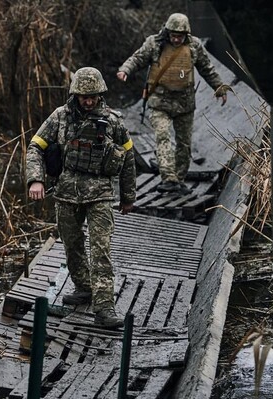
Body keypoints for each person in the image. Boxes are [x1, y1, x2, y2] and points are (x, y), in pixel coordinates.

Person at [25, 67, 136, 328]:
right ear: (75, 95)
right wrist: (36, 179)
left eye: (93, 97)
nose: (88, 102)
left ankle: (104, 308)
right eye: (84, 97)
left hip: (100, 194)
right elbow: (35, 147)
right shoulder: (59, 117)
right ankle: (84, 287)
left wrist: (128, 196)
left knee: (101, 250)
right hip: (66, 192)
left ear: (100, 95)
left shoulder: (113, 121)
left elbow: (128, 157)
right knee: (72, 245)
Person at [116, 12, 230, 194]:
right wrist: (125, 70)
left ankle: (179, 179)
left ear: (186, 34)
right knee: (162, 137)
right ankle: (168, 178)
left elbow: (207, 69)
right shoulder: (154, 44)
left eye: (180, 36)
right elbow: (137, 58)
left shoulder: (194, 46)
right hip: (159, 102)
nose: (176, 39)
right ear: (167, 32)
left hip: (184, 104)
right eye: (173, 35)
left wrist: (219, 88)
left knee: (184, 144)